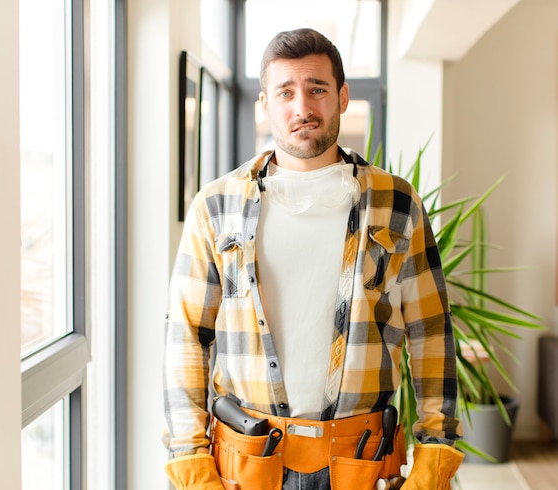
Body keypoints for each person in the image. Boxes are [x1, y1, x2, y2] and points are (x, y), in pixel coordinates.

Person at [163, 28, 464, 490]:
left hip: (363, 462)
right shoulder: (215, 206)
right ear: (265, 104)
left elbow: (431, 331)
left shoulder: (396, 202)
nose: (302, 108)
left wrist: (435, 453)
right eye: (285, 92)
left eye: (316, 89)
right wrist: (190, 459)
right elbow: (187, 334)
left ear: (342, 96)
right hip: (247, 464)